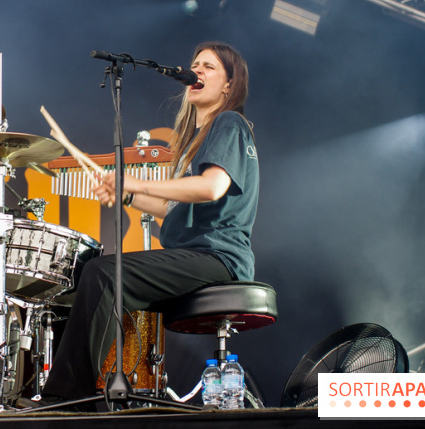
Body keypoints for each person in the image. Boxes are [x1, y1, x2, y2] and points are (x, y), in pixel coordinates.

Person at [23, 40, 259, 408]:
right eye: (195, 63)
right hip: (193, 253)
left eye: (209, 67)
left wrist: (134, 181)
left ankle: (69, 398)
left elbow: (212, 187)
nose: (196, 70)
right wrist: (126, 195)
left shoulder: (229, 123)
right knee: (84, 269)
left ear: (229, 85)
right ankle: (53, 388)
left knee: (104, 274)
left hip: (219, 258)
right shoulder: (195, 140)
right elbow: (173, 209)